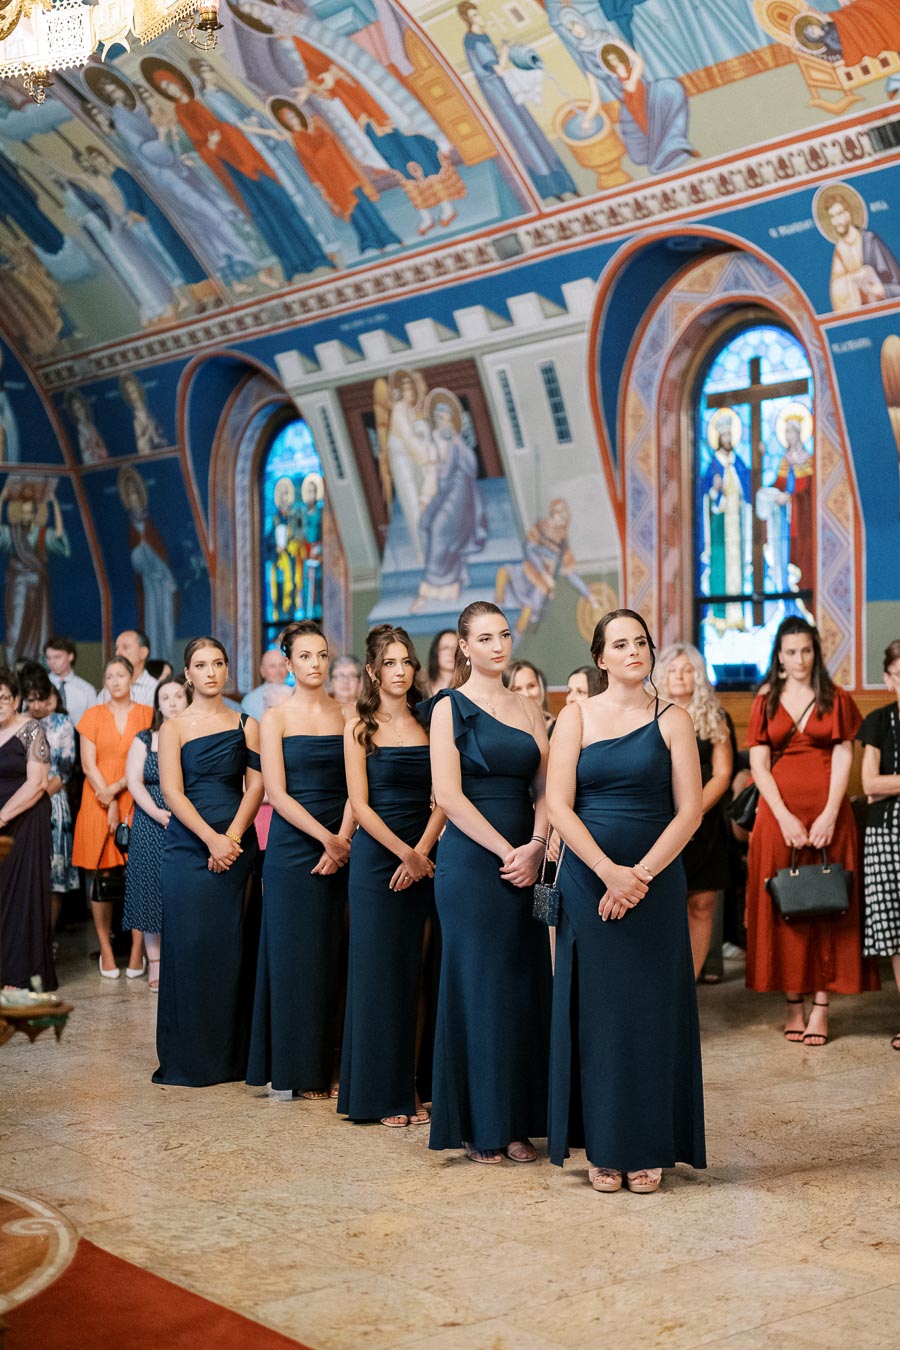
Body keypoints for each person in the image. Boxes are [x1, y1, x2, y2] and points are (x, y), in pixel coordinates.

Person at [546, 610, 705, 1194]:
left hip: (655, 883)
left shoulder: (674, 720)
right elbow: (560, 804)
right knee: (600, 1017)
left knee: (648, 1015)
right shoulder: (576, 716)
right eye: (621, 643)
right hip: (589, 881)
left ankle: (648, 1145)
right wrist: (608, 872)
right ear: (602, 657)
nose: (634, 650)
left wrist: (637, 875)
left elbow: (690, 810)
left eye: (641, 641)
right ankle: (605, 1147)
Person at [420, 601, 551, 1164]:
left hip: (527, 856)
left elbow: (547, 787)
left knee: (521, 989)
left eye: (504, 635)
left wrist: (538, 847)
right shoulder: (448, 708)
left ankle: (516, 1121)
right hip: (474, 866)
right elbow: (447, 795)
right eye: (485, 638)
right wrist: (507, 852)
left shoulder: (528, 707)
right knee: (479, 989)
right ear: (463, 647)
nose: (498, 645)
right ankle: (480, 1125)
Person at [746, 617, 877, 1046]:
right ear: (778, 656)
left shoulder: (835, 697)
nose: (799, 659)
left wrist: (829, 813)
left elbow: (844, 758)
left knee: (826, 904)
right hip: (777, 815)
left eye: (805, 650)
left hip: (828, 813)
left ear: (815, 652)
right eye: (790, 652)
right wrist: (782, 815)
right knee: (785, 906)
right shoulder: (765, 700)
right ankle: (793, 1005)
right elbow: (759, 765)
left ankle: (821, 1006)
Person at [340, 625, 445, 1127]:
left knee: (422, 975)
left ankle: (418, 1085)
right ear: (372, 670)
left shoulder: (431, 721)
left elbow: (447, 793)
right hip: (379, 859)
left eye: (407, 662)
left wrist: (422, 852)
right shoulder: (358, 728)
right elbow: (359, 804)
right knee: (381, 976)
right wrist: (404, 853)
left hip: (426, 857)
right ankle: (384, 1092)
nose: (401, 671)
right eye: (390, 663)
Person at [247, 621, 353, 1097]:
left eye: (322, 655)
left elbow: (359, 788)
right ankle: (298, 1069)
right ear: (288, 664)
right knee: (296, 960)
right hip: (293, 848)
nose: (316, 664)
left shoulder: (350, 714)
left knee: (337, 957)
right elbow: (275, 792)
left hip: (346, 841)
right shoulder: (276, 718)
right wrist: (325, 839)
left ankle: (333, 1065)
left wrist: (343, 840)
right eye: (305, 656)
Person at [154, 638, 264, 1087]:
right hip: (187, 846)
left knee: (233, 948)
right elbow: (172, 792)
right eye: (201, 665)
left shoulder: (246, 723)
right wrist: (210, 840)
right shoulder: (173, 727)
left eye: (218, 663)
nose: (211, 671)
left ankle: (233, 1057)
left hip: (237, 845)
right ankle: (191, 1057)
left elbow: (256, 787)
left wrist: (232, 839)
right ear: (188, 674)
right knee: (190, 946)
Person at [656, 644, 733, 980]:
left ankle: (691, 986)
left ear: (698, 676)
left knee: (701, 905)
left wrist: (691, 812)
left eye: (687, 670)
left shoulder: (714, 716)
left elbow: (723, 773)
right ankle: (664, 986)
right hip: (658, 820)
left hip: (704, 823)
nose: (680, 676)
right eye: (673, 670)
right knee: (665, 906)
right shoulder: (650, 712)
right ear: (661, 675)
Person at [73, 656, 153, 978]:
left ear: (131, 677)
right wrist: (107, 798)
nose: (115, 681)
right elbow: (88, 764)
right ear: (104, 682)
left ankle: (137, 950)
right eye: (109, 676)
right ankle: (105, 948)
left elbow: (148, 759)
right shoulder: (92, 715)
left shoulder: (147, 714)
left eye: (121, 675)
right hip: (96, 797)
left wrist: (118, 790)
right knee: (99, 875)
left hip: (137, 795)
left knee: (139, 873)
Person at [122, 677, 190, 994]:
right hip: (152, 820)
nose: (173, 702)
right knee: (152, 887)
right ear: (157, 705)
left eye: (178, 695)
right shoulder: (145, 738)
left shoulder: (196, 735)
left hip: (190, 819)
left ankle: (183, 962)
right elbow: (134, 781)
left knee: (184, 891)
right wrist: (157, 813)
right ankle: (156, 964)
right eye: (166, 697)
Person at [858, 639, 900, 1051]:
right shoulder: (877, 721)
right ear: (889, 679)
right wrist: (883, 787)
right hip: (886, 833)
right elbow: (870, 783)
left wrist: (892, 785)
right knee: (896, 933)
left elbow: (882, 784)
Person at [0, 668, 53, 990]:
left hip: (24, 819)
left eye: (4, 697)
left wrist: (2, 817)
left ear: (16, 699)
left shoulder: (31, 730)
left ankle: (18, 974)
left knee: (20, 897)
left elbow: (37, 784)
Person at [21, 672, 78, 934]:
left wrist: (38, 798)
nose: (35, 705)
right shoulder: (19, 724)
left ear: (51, 699)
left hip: (52, 802)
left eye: (40, 699)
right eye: (30, 699)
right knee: (26, 874)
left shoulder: (62, 724)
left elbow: (64, 771)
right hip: (21, 803)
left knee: (54, 874)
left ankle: (48, 937)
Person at [44, 637, 97, 728]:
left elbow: (94, 725)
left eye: (57, 657)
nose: (52, 662)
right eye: (48, 658)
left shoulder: (87, 690)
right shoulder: (39, 686)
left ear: (70, 656)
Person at [97, 631, 158, 707]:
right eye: (116, 648)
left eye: (125, 647)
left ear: (143, 653)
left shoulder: (154, 689)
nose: (118, 653)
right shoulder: (107, 690)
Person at [507, 660, 555, 734]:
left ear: (541, 686)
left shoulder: (559, 728)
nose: (526, 694)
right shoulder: (500, 732)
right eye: (517, 689)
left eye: (531, 686)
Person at [241, 648, 288, 722]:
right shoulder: (250, 700)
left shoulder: (297, 695)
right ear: (262, 671)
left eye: (282, 665)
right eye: (272, 666)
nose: (278, 671)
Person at [427, 630, 458, 696]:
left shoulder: (470, 687)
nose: (451, 652)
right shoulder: (422, 688)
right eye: (445, 648)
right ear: (436, 652)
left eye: (456, 648)